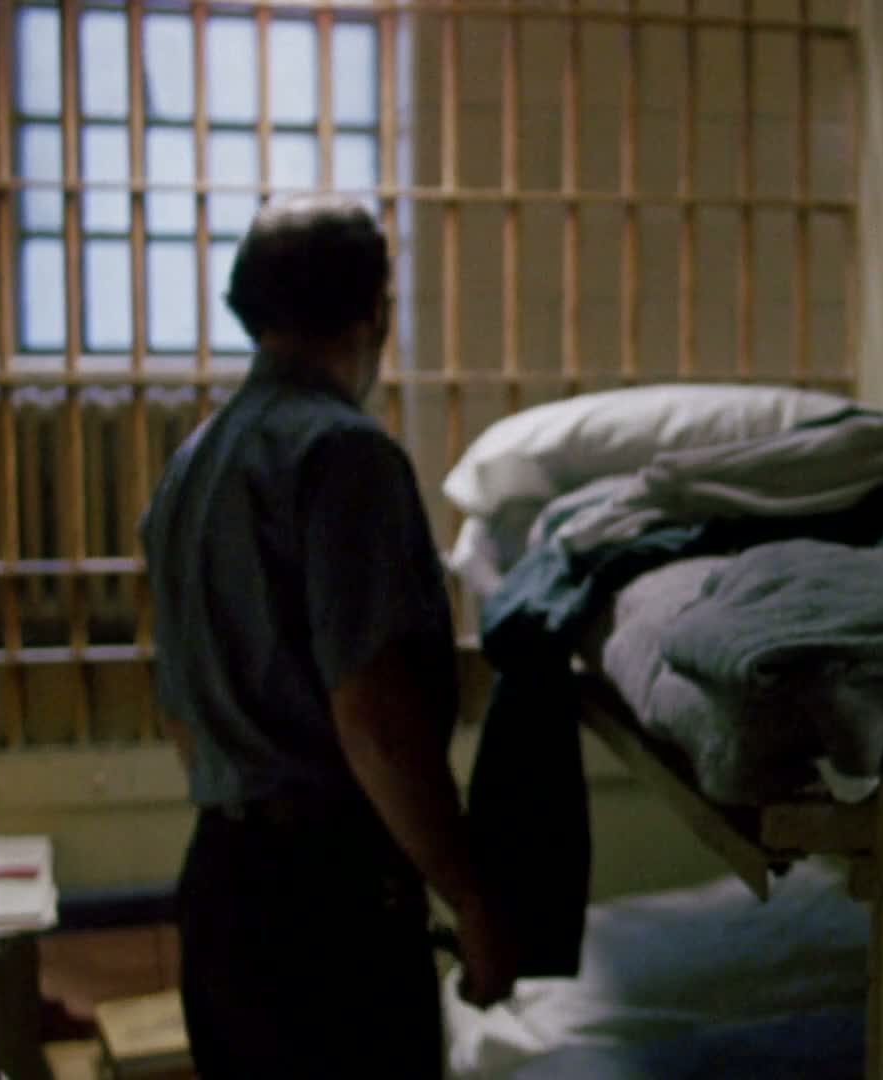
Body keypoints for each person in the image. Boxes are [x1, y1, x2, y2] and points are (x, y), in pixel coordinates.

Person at [140, 193, 519, 1077]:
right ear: (374, 311)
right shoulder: (345, 455)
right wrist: (471, 896)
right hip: (325, 904)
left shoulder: (193, 466)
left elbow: (183, 718)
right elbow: (375, 718)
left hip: (221, 885)